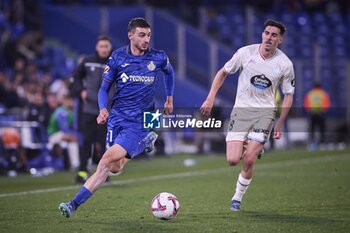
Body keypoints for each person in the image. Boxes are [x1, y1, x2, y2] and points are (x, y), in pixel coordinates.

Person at [58, 17, 175, 218]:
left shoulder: (158, 57)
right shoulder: (117, 58)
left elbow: (169, 73)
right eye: (141, 35)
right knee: (115, 167)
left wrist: (169, 98)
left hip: (141, 120)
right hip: (117, 118)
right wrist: (103, 109)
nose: (146, 39)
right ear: (130, 35)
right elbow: (104, 89)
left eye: (148, 35)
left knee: (104, 161)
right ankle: (146, 143)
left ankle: (73, 204)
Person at [200, 19, 295, 211]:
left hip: (265, 113)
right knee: (233, 160)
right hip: (241, 111)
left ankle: (237, 198)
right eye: (266, 33)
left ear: (280, 40)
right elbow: (222, 72)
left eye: (274, 35)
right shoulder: (245, 53)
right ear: (262, 34)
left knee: (249, 159)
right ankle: (254, 147)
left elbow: (288, 96)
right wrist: (210, 98)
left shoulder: (285, 64)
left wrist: (279, 123)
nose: (269, 37)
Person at [70, 35, 113, 184]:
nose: (103, 49)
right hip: (88, 109)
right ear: (97, 47)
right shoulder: (87, 62)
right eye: (101, 46)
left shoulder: (115, 63)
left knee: (104, 143)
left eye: (106, 46)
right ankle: (82, 171)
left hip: (106, 111)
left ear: (110, 48)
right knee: (86, 141)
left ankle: (103, 174)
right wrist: (80, 90)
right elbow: (75, 78)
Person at [47, 94, 80, 170]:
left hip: (62, 135)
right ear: (65, 101)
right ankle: (75, 164)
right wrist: (72, 136)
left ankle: (75, 165)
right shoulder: (61, 111)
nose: (72, 102)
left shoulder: (72, 112)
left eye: (73, 101)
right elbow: (64, 128)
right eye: (70, 100)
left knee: (74, 141)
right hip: (53, 135)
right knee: (73, 139)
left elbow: (74, 128)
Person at [303, 82, 330, 150]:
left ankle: (312, 143)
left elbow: (306, 104)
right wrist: (323, 110)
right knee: (322, 129)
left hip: (312, 113)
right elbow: (326, 104)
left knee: (312, 129)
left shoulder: (310, 94)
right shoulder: (323, 93)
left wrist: (309, 110)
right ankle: (322, 142)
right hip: (321, 113)